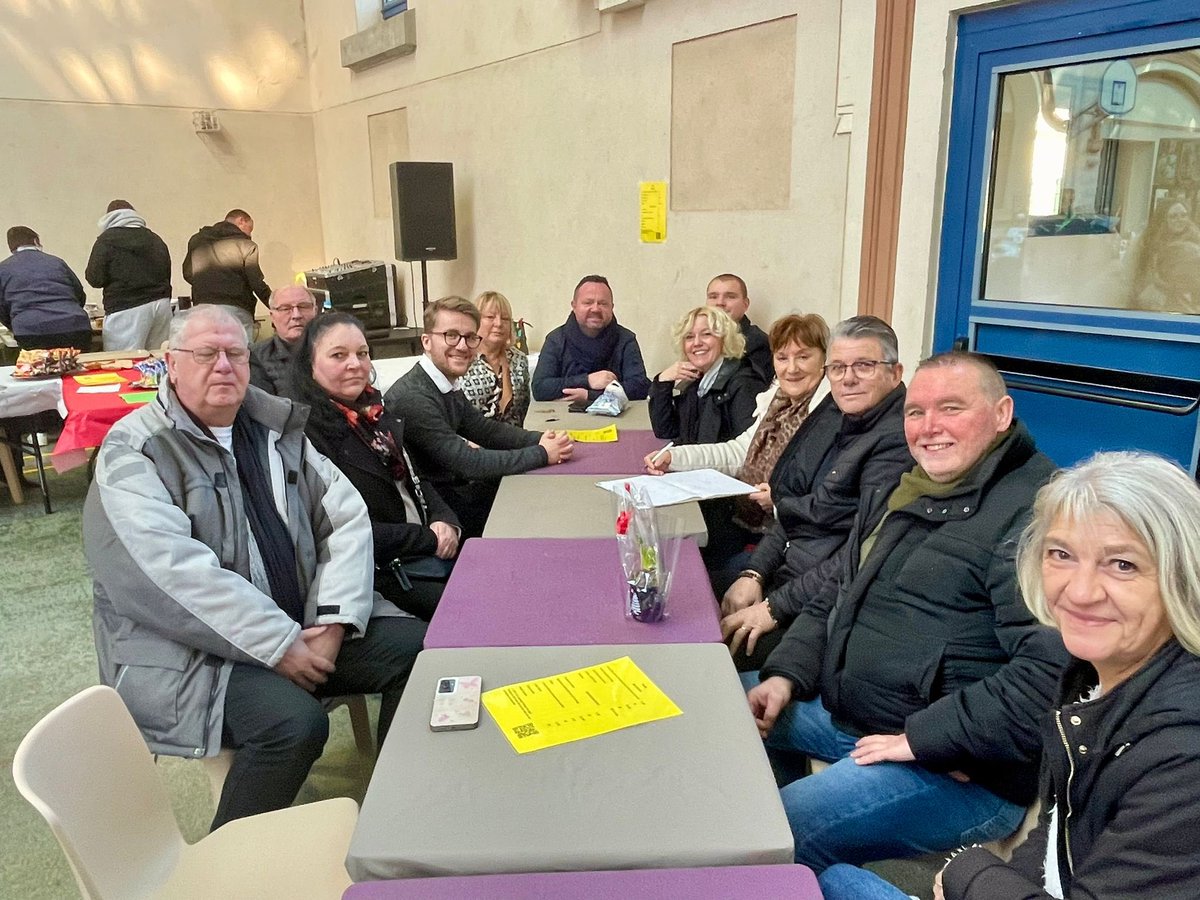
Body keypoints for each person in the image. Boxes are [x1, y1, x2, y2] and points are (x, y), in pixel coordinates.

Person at [83, 304, 424, 831]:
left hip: (301, 626)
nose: (224, 366)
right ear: (171, 364)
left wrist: (334, 623)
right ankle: (228, 856)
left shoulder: (274, 428)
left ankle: (395, 812)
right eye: (206, 354)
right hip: (187, 651)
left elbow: (345, 520)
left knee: (420, 650)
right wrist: (279, 645)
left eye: (235, 354)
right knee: (293, 724)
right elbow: (171, 575)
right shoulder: (135, 451)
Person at [823, 451, 1200, 899]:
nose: (1080, 592)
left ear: (1184, 575)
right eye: (1061, 554)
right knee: (832, 881)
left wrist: (970, 874)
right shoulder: (1090, 678)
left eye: (1122, 564)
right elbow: (1058, 830)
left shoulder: (1184, 755)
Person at [746, 350, 1068, 873]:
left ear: (1002, 414)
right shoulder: (906, 486)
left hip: (958, 768)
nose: (928, 427)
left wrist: (929, 739)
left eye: (951, 408)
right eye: (916, 412)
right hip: (857, 716)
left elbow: (1050, 674)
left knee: (770, 836)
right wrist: (786, 674)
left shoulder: (1037, 516)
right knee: (720, 706)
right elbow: (838, 592)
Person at [716, 316, 911, 668]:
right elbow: (792, 509)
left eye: (864, 366)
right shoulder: (837, 412)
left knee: (713, 650)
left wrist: (774, 607)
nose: (847, 378)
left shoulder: (898, 444)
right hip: (786, 571)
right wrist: (754, 574)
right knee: (688, 597)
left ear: (895, 373)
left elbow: (857, 555)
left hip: (821, 605)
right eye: (838, 367)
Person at [287, 313, 460, 620]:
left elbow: (415, 480)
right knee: (472, 608)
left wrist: (445, 519)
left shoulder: (374, 413)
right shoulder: (307, 437)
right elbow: (346, 530)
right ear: (309, 366)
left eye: (362, 353)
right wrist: (429, 539)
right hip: (379, 573)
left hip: (421, 552)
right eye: (338, 355)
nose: (355, 364)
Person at [385, 295, 573, 538]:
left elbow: (485, 430)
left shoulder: (444, 383)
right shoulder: (413, 397)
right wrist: (542, 453)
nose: (462, 346)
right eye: (451, 335)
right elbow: (468, 463)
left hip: (455, 494)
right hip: (437, 515)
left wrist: (542, 438)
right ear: (426, 341)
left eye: (470, 337)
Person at [648, 306, 766, 444]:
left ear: (725, 339)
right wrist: (663, 381)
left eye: (706, 334)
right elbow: (666, 430)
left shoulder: (745, 383)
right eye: (689, 337)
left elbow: (748, 448)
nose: (697, 343)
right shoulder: (695, 383)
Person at [531, 275, 651, 403]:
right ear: (574, 306)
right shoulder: (556, 340)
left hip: (618, 414)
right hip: (563, 414)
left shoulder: (626, 340)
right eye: (588, 303)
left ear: (612, 307)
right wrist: (587, 380)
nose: (595, 309)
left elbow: (640, 387)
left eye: (603, 303)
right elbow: (540, 388)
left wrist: (590, 396)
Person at [84, 200, 173, 352]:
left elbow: (95, 278)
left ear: (108, 217)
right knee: (158, 357)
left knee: (123, 359)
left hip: (126, 307)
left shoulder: (107, 240)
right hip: (161, 305)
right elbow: (166, 272)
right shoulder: (155, 239)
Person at [0, 226, 92, 351]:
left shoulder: (3, 268)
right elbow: (79, 293)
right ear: (36, 241)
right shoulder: (57, 262)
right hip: (74, 325)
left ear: (11, 247)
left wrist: (16, 323)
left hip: (30, 329)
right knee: (77, 362)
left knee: (38, 363)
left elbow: (1, 308)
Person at [182, 208, 271, 318]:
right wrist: (276, 305)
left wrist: (207, 285)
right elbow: (256, 282)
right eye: (250, 229)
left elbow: (187, 273)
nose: (250, 235)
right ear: (241, 221)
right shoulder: (246, 245)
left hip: (203, 308)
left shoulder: (196, 240)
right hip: (237, 308)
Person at [461, 290, 530, 426]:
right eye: (490, 317)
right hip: (470, 437)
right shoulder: (463, 358)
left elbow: (522, 411)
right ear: (475, 321)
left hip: (513, 436)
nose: (498, 323)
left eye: (505, 319)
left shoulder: (519, 360)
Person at [250, 284, 319, 396]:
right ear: (272, 316)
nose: (296, 315)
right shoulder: (256, 357)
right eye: (285, 309)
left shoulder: (335, 349)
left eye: (303, 306)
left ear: (315, 311)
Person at [706, 273, 771, 382]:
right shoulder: (698, 340)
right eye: (713, 297)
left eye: (730, 296)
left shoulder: (758, 343)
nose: (720, 303)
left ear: (745, 304)